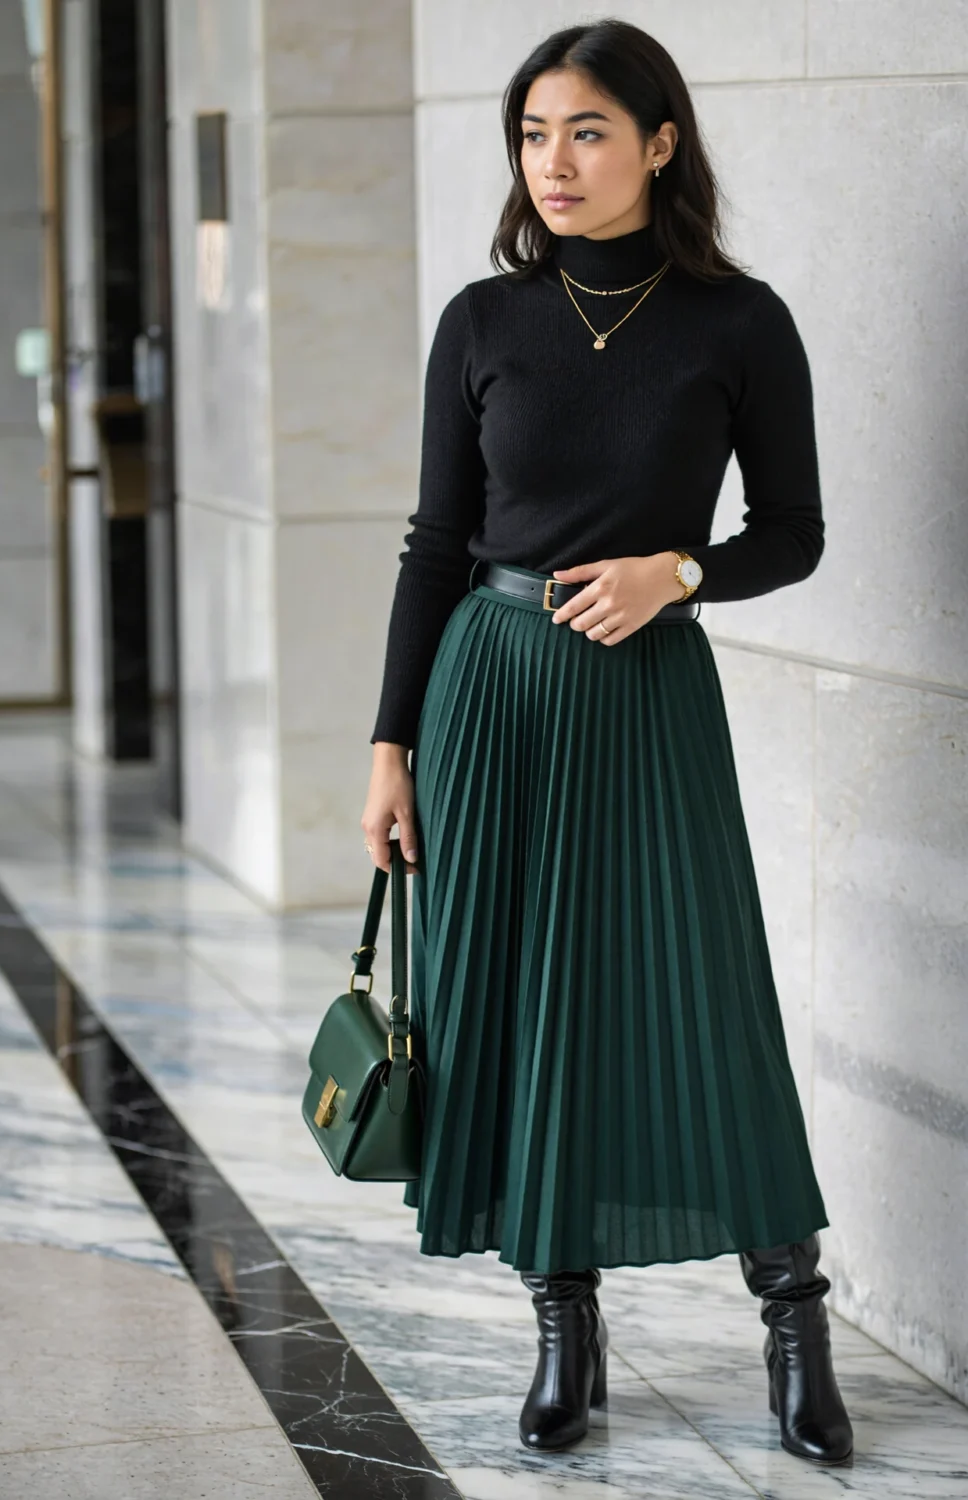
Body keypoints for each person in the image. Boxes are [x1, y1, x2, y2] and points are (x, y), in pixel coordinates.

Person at [361, 17, 853, 1467]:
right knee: (515, 1005)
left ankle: (792, 1316)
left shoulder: (738, 322)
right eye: (532, 134)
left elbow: (797, 535)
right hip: (490, 691)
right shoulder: (484, 319)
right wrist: (390, 745)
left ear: (658, 141)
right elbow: (435, 541)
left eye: (585, 131)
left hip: (645, 701)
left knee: (705, 997)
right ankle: (563, 1328)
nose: (555, 163)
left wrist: (677, 571)